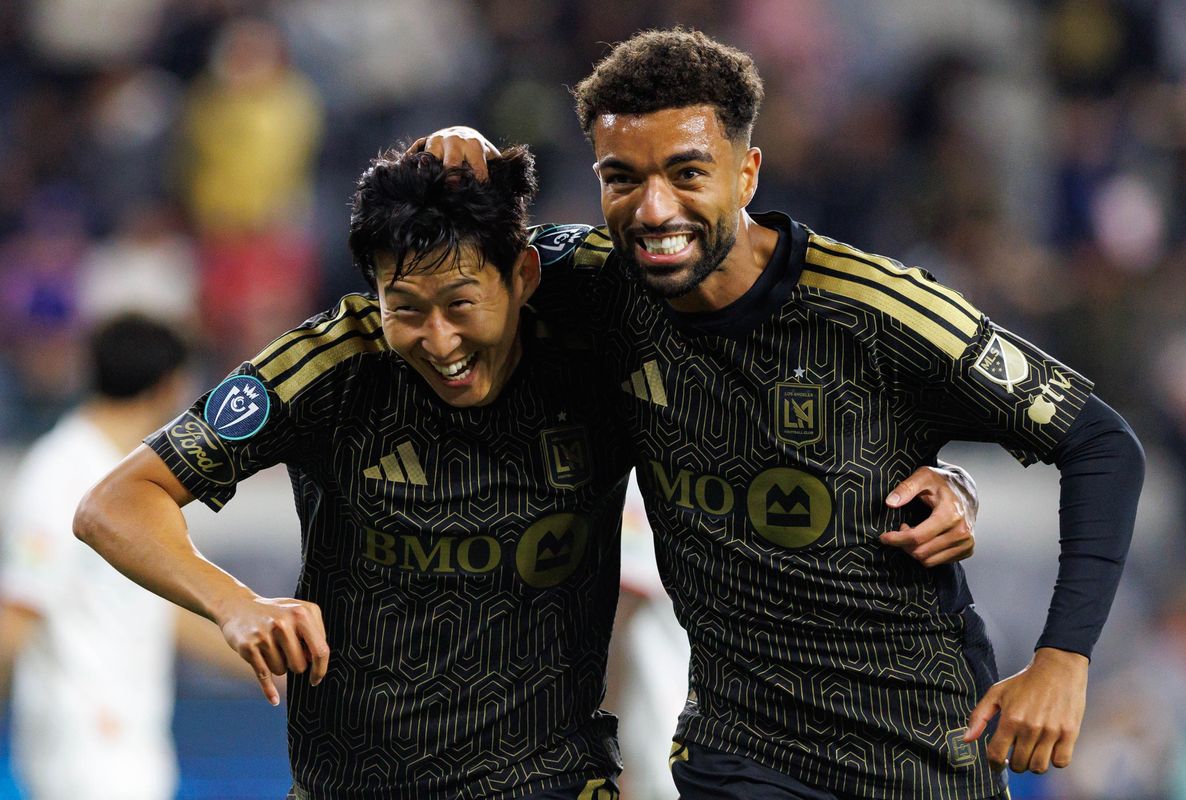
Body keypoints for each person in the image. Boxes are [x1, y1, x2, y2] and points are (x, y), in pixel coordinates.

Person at [73, 145, 980, 798]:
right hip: (356, 781)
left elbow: (770, 366)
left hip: (550, 779)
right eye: (407, 309)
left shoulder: (596, 337)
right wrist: (234, 601)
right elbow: (117, 502)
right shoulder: (329, 365)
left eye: (463, 303)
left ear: (522, 273)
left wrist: (939, 477)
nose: (439, 340)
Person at [419, 26, 1145, 800]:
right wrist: (455, 164)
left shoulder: (873, 309)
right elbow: (432, 283)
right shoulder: (595, 278)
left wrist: (1064, 658)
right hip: (738, 754)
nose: (654, 207)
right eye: (621, 177)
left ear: (747, 173)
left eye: (687, 172)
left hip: (916, 755)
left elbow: (1102, 443)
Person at [0, 313, 235, 800]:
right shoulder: (60, 472)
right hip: (81, 740)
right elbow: (18, 612)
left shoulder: (131, 479)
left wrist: (281, 665)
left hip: (133, 737)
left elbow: (166, 610)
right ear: (168, 386)